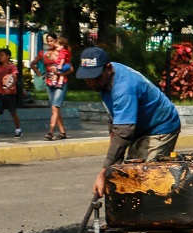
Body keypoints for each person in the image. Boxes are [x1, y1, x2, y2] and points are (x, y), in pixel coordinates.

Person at [76, 48, 183, 198]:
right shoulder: (104, 79)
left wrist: (104, 172)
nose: (91, 82)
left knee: (144, 178)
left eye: (95, 77)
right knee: (128, 174)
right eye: (87, 78)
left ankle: (155, 215)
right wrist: (114, 165)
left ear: (108, 68)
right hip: (139, 126)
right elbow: (116, 124)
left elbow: (124, 132)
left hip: (160, 126)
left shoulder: (124, 88)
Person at [36, 35, 73, 140]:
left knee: (55, 107)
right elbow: (33, 63)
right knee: (55, 109)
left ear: (56, 41)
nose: (49, 43)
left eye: (52, 41)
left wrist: (59, 72)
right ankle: (62, 132)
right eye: (48, 41)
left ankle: (50, 132)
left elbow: (71, 69)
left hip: (60, 83)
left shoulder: (62, 52)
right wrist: (39, 74)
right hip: (49, 82)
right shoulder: (45, 53)